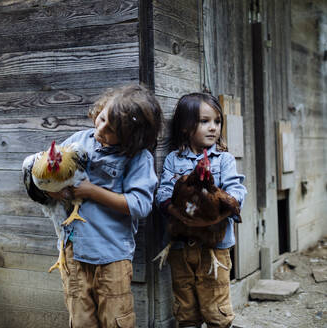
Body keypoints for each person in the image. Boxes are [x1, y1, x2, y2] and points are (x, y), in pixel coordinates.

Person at [52, 84, 161, 327]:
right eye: (101, 118)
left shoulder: (138, 158)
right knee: (81, 320)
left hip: (111, 255)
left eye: (111, 129)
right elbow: (56, 176)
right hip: (73, 252)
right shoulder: (78, 140)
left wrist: (92, 191)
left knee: (116, 319)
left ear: (132, 137)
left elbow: (140, 204)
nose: (100, 129)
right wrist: (54, 190)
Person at [155, 92, 247, 328]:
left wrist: (223, 207)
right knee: (185, 304)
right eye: (205, 121)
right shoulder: (173, 160)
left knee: (215, 303)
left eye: (217, 121)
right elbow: (163, 191)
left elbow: (237, 190)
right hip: (181, 245)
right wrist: (175, 212)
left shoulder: (223, 159)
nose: (213, 128)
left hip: (215, 245)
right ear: (186, 127)